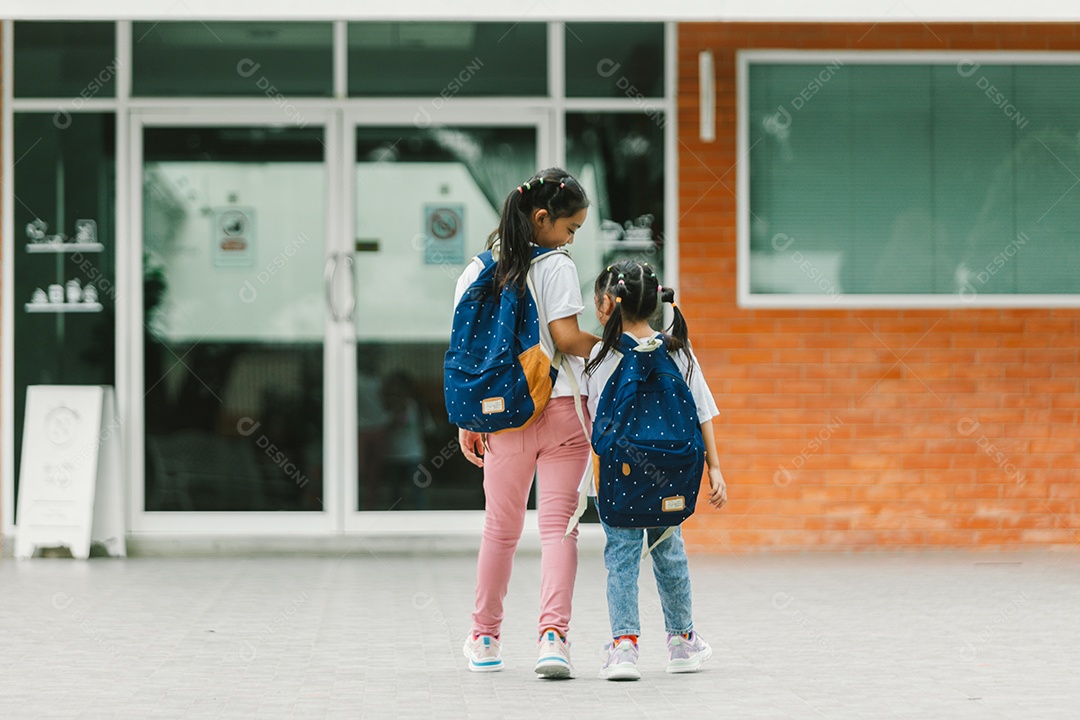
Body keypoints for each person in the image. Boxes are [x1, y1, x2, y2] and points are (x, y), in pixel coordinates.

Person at [456, 168, 600, 678]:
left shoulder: (475, 270)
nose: (571, 239)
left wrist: (469, 419)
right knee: (560, 529)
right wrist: (611, 347)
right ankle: (553, 639)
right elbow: (564, 338)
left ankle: (486, 638)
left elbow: (466, 355)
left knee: (500, 530)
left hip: (504, 417)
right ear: (542, 219)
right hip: (560, 410)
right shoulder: (556, 265)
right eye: (571, 229)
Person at [582, 259, 728, 681]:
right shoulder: (678, 348)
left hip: (619, 475)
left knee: (621, 559)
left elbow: (595, 420)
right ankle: (682, 642)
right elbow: (703, 411)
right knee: (670, 552)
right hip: (672, 475)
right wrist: (715, 469)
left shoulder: (601, 354)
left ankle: (624, 648)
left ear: (609, 304)